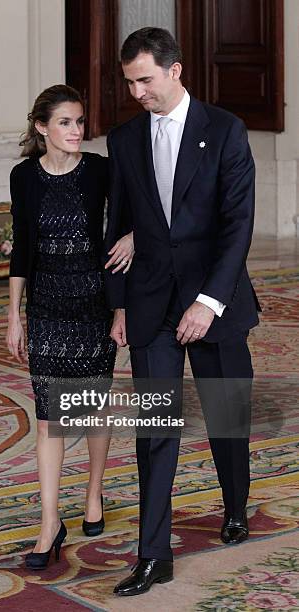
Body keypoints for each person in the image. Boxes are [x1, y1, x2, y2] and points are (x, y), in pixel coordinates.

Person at [104, 28, 261, 596]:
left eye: (144, 79)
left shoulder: (224, 131)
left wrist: (208, 302)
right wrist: (119, 306)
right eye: (129, 82)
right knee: (155, 431)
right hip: (150, 304)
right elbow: (117, 226)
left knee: (226, 418)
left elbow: (237, 225)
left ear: (174, 70)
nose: (137, 92)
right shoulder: (123, 140)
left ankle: (236, 506)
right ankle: (154, 557)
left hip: (215, 301)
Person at [6, 84, 134, 571]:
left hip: (95, 305)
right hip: (47, 310)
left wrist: (133, 243)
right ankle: (49, 522)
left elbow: (139, 212)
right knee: (49, 416)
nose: (77, 131)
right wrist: (14, 314)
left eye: (80, 122)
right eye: (65, 122)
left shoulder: (100, 170)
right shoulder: (24, 177)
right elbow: (21, 248)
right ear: (42, 127)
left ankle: (95, 491)